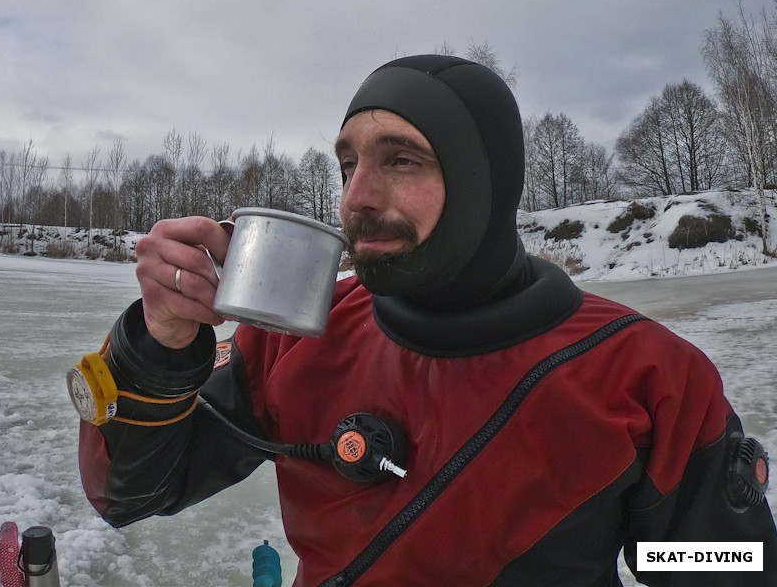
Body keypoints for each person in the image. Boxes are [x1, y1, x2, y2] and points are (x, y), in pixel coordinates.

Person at [73, 55, 777, 586]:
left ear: (483, 180)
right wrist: (159, 345)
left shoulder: (643, 375)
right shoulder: (297, 340)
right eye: (347, 163)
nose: (357, 196)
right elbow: (132, 494)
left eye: (401, 160)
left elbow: (728, 565)